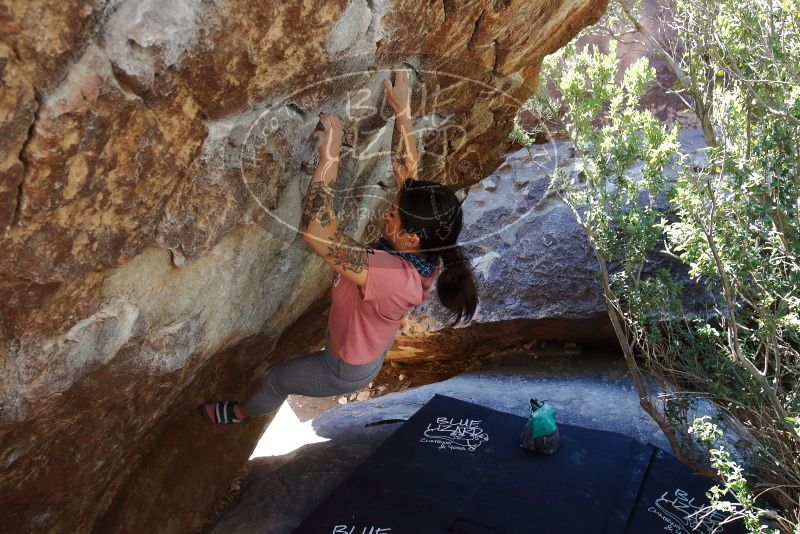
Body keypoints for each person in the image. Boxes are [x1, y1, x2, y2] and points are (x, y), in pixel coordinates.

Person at [199, 68, 478, 424]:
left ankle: (239, 413)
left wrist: (329, 156)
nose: (387, 213)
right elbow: (406, 172)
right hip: (363, 338)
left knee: (279, 379)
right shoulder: (426, 245)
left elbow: (318, 235)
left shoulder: (392, 275)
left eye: (393, 213)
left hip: (345, 368)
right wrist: (402, 112)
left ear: (410, 238)